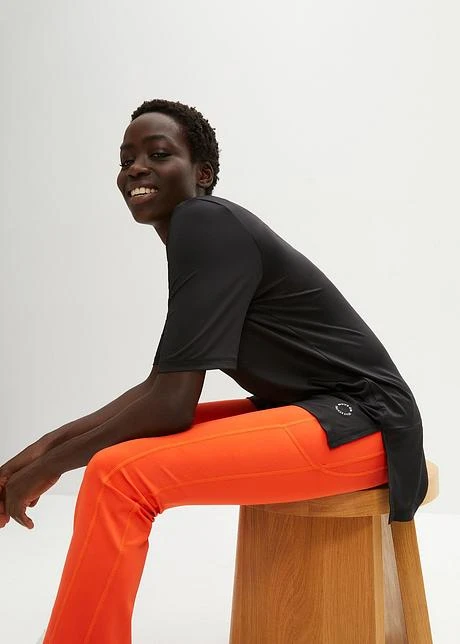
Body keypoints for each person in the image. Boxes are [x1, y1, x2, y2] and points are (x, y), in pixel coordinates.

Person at [0, 99, 428, 643]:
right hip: (322, 414)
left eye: (158, 154)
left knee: (119, 476)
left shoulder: (205, 222)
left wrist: (51, 467)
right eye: (126, 159)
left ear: (202, 173)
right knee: (114, 465)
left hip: (364, 424)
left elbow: (171, 405)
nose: (136, 168)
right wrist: (41, 452)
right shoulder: (200, 232)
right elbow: (159, 389)